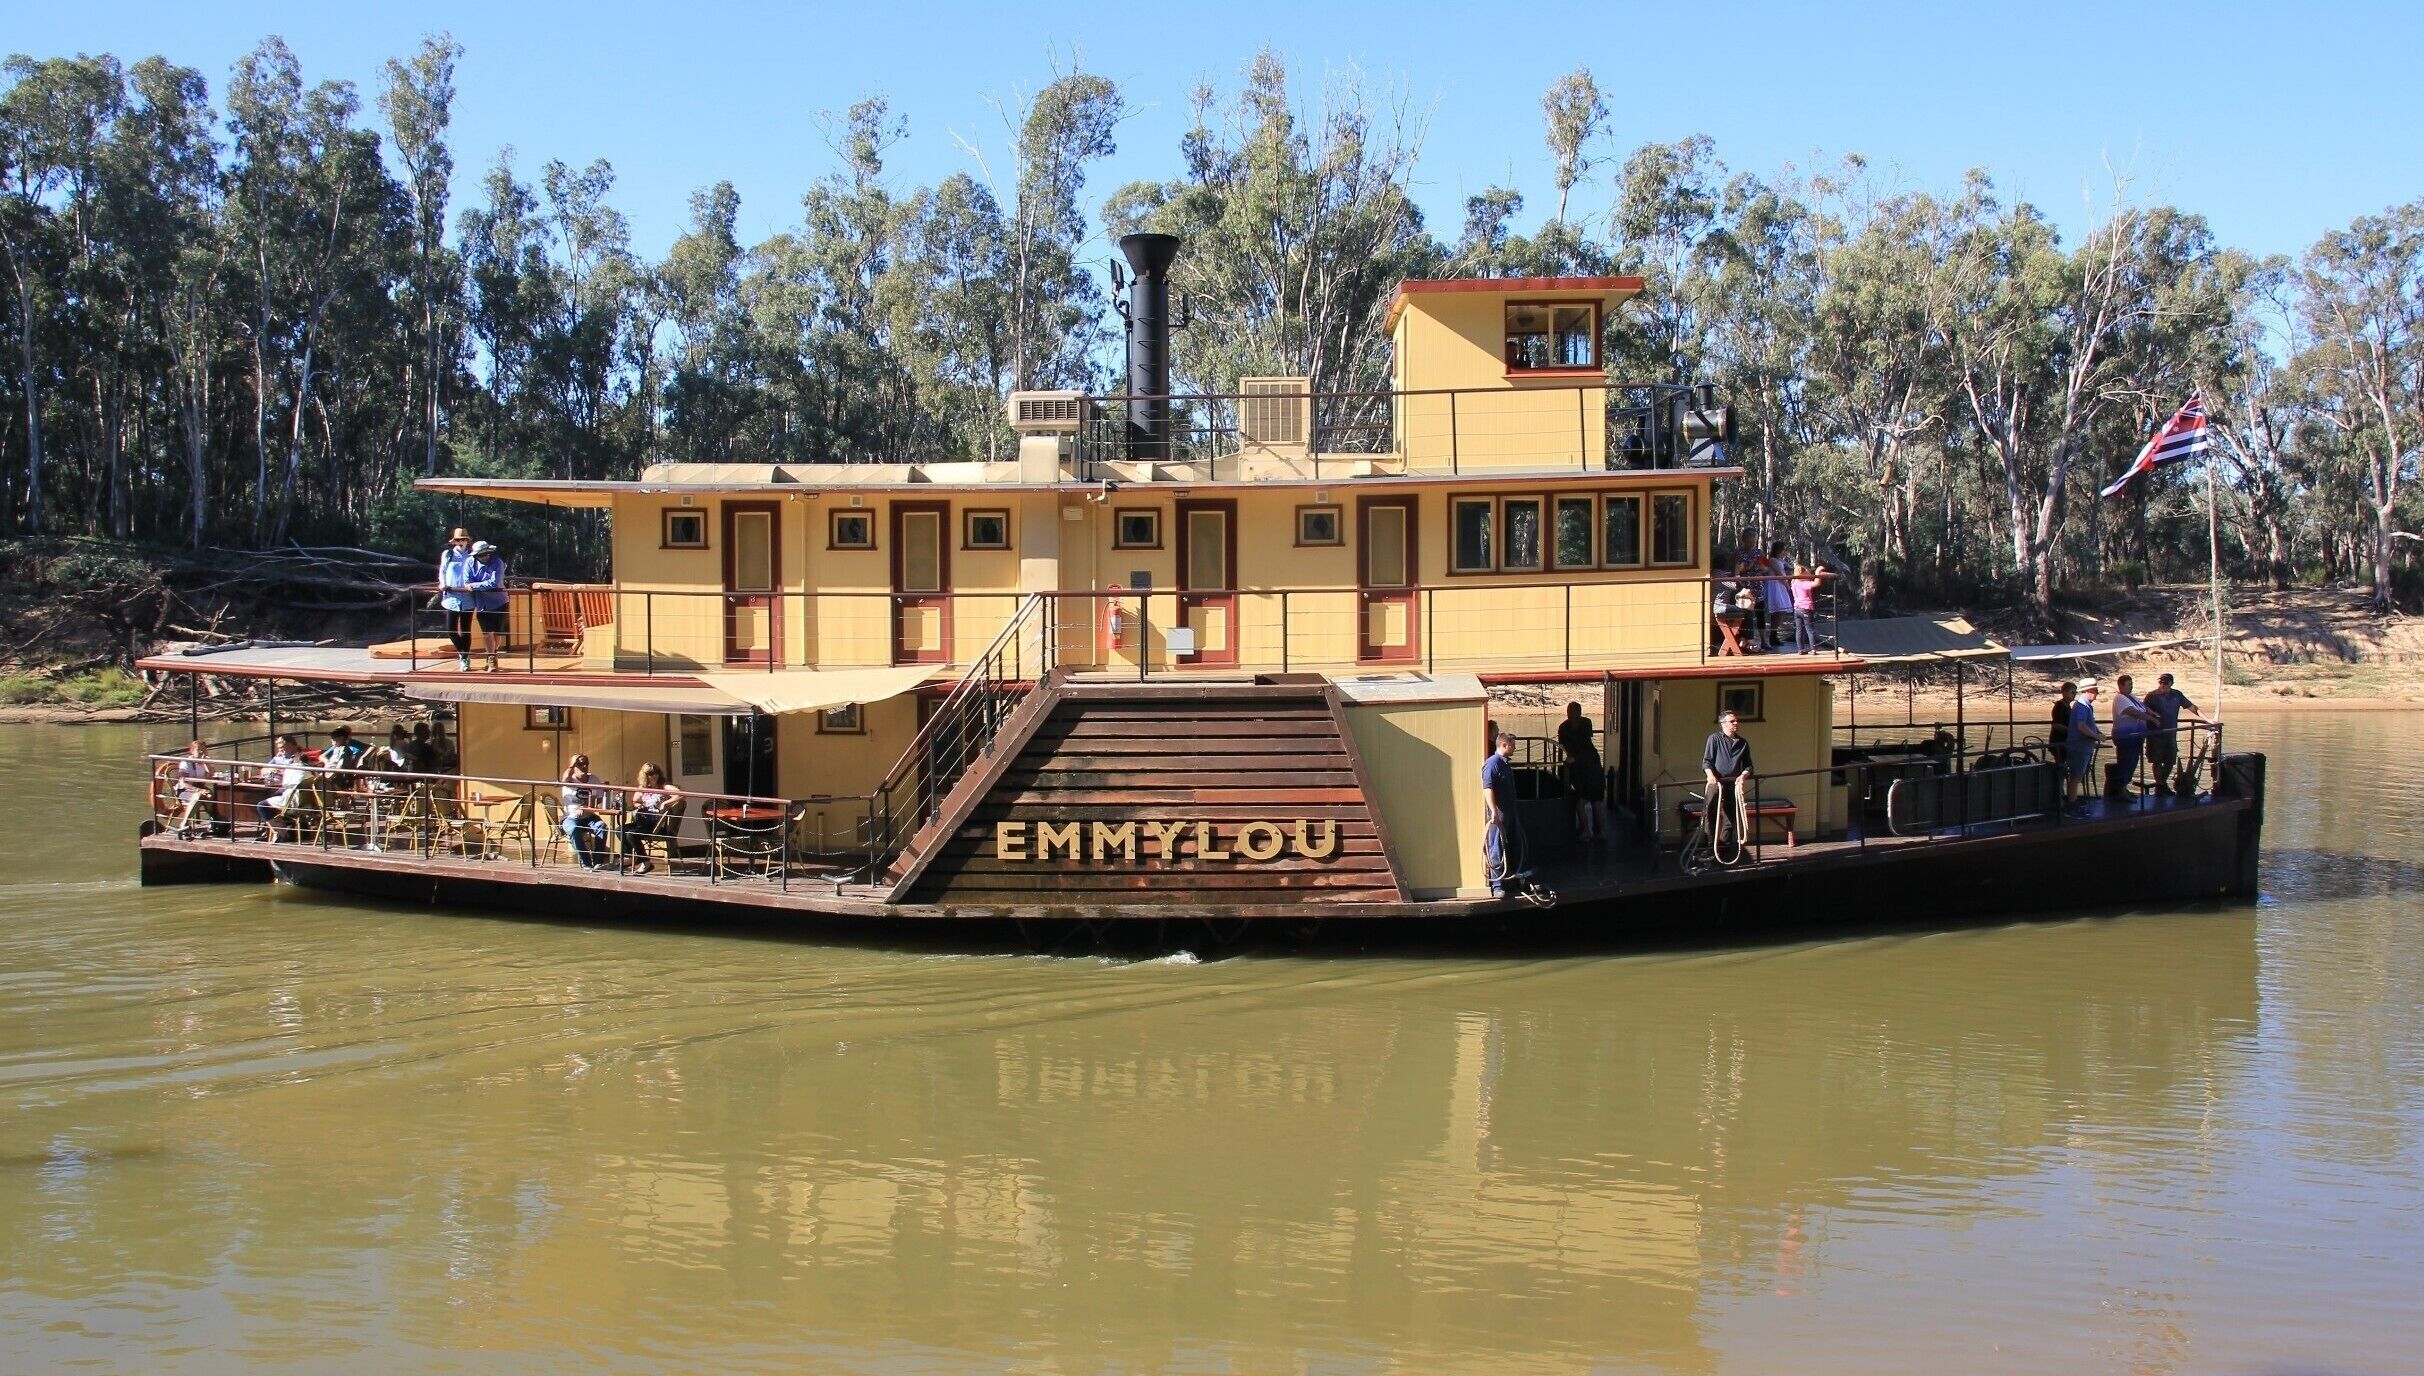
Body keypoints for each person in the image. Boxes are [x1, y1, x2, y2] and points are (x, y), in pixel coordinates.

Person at [1701, 709, 1756, 853]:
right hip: (1716, 782)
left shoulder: (1742, 743)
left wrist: (1743, 776)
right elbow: (1707, 762)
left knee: (1732, 814)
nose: (1736, 723)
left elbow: (1749, 765)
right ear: (1723, 724)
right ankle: (1710, 844)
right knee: (1710, 809)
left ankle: (1724, 845)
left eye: (1736, 721)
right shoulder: (1714, 739)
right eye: (1732, 721)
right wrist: (1710, 775)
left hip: (1733, 783)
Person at [2141, 673, 2204, 795]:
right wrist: (2153, 717)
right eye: (2161, 682)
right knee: (2157, 760)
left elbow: (2191, 707)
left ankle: (2161, 784)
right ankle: (2160, 786)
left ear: (2171, 683)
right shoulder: (2152, 696)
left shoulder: (2177, 695)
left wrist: (2207, 719)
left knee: (2170, 760)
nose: (2162, 685)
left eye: (2165, 682)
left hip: (2171, 734)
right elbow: (2143, 710)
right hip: (2155, 735)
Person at [1481, 731, 1526, 897]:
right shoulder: (1492, 764)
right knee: (1496, 846)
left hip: (1510, 812)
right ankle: (1497, 885)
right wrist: (1493, 811)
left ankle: (1512, 878)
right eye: (1512, 745)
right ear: (1504, 745)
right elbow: (1488, 788)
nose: (1515, 747)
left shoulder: (1505, 764)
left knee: (1514, 843)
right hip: (1499, 813)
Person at [1556, 702, 1607, 844]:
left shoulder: (1567, 727)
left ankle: (1587, 831)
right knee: (1596, 802)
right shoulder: (1584, 723)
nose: (1571, 714)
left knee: (1582, 804)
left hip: (1586, 769)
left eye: (1572, 711)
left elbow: (1569, 746)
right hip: (1589, 767)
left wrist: (1572, 759)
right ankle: (1600, 832)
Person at [619, 763, 683, 874]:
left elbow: (680, 794)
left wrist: (666, 803)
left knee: (631, 834)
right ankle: (631, 857)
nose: (654, 776)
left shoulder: (663, 786)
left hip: (657, 822)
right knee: (619, 829)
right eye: (650, 774)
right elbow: (635, 801)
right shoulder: (643, 787)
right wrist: (639, 806)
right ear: (645, 775)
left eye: (656, 773)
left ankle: (645, 862)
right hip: (643, 819)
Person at [253, 735, 311, 840]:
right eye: (279, 747)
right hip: (308, 802)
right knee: (272, 798)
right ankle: (279, 831)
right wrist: (272, 770)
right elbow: (264, 769)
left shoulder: (293, 766)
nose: (281, 750)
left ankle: (281, 834)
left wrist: (279, 771)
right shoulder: (307, 767)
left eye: (283, 747)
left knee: (263, 805)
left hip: (292, 799)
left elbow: (286, 784)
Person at [438, 528, 480, 671]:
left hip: (468, 597)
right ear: (454, 541)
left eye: (463, 539)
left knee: (466, 629)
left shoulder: (473, 555)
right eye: (458, 540)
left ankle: (464, 658)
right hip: (451, 596)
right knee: (451, 629)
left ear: (467, 541)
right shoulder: (448, 554)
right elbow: (442, 571)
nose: (460, 542)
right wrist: (442, 584)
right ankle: (463, 654)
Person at [560, 754, 611, 871]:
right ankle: (586, 862)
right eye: (580, 764)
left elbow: (600, 799)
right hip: (571, 817)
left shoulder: (594, 779)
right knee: (573, 829)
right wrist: (572, 765)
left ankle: (598, 861)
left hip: (589, 817)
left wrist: (587, 807)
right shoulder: (569, 779)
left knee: (601, 827)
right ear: (573, 766)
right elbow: (564, 780)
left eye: (586, 764)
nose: (584, 766)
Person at [464, 540, 510, 671]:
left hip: (499, 602)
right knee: (487, 633)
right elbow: (466, 581)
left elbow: (494, 583)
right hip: (482, 604)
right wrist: (474, 585)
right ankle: (492, 660)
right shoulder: (469, 563)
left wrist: (475, 585)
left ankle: (492, 654)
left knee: (497, 634)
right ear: (475, 555)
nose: (485, 557)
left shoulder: (497, 562)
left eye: (487, 554)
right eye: (481, 555)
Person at [2065, 681, 2106, 814]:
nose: (2097, 694)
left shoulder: (2087, 706)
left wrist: (2097, 733)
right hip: (2079, 747)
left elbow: (2089, 724)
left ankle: (2073, 800)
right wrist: (2096, 736)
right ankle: (2071, 803)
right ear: (2087, 691)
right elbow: (2081, 726)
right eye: (2094, 691)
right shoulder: (2082, 706)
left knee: (2078, 775)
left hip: (2084, 747)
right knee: (2076, 776)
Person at [2111, 674, 2152, 792]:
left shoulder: (2131, 697)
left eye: (2132, 684)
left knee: (2132, 762)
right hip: (2126, 737)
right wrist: (2152, 719)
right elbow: (2133, 712)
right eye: (2129, 684)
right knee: (2125, 762)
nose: (2131, 687)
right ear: (2121, 686)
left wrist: (2152, 712)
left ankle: (2124, 788)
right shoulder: (2120, 698)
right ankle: (2120, 790)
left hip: (2136, 738)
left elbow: (2142, 707)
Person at [168, 739, 215, 836]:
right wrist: (198, 790)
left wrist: (205, 762)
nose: (201, 752)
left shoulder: (205, 761)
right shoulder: (186, 762)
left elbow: (212, 775)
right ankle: (184, 823)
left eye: (203, 750)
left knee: (211, 795)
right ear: (192, 751)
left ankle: (214, 821)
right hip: (185, 790)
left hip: (200, 788)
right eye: (198, 750)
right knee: (198, 796)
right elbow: (183, 783)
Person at [1763, 542, 1794, 648]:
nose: (1785, 552)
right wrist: (1787, 585)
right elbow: (1779, 574)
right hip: (1776, 586)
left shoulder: (1781, 561)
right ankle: (1772, 635)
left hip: (1780, 586)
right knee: (1779, 609)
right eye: (1783, 550)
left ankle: (1774, 634)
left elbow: (1788, 568)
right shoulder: (1773, 560)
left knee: (1782, 610)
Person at [1790, 563, 1822, 654]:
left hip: (1797, 609)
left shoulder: (1794, 583)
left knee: (1799, 630)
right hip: (1806, 608)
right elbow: (1817, 583)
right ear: (1801, 574)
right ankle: (1813, 649)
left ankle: (1801, 649)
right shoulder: (1803, 583)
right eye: (1807, 574)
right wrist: (1818, 572)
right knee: (1810, 629)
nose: (1809, 576)